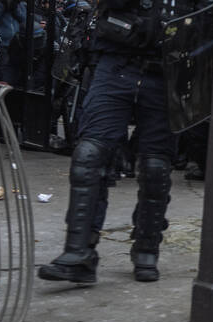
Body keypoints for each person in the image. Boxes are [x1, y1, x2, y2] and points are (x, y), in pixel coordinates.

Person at [36, 0, 202, 284]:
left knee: (155, 167)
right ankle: (79, 254)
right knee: (89, 154)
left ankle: (147, 248)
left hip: (167, 71)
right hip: (116, 61)